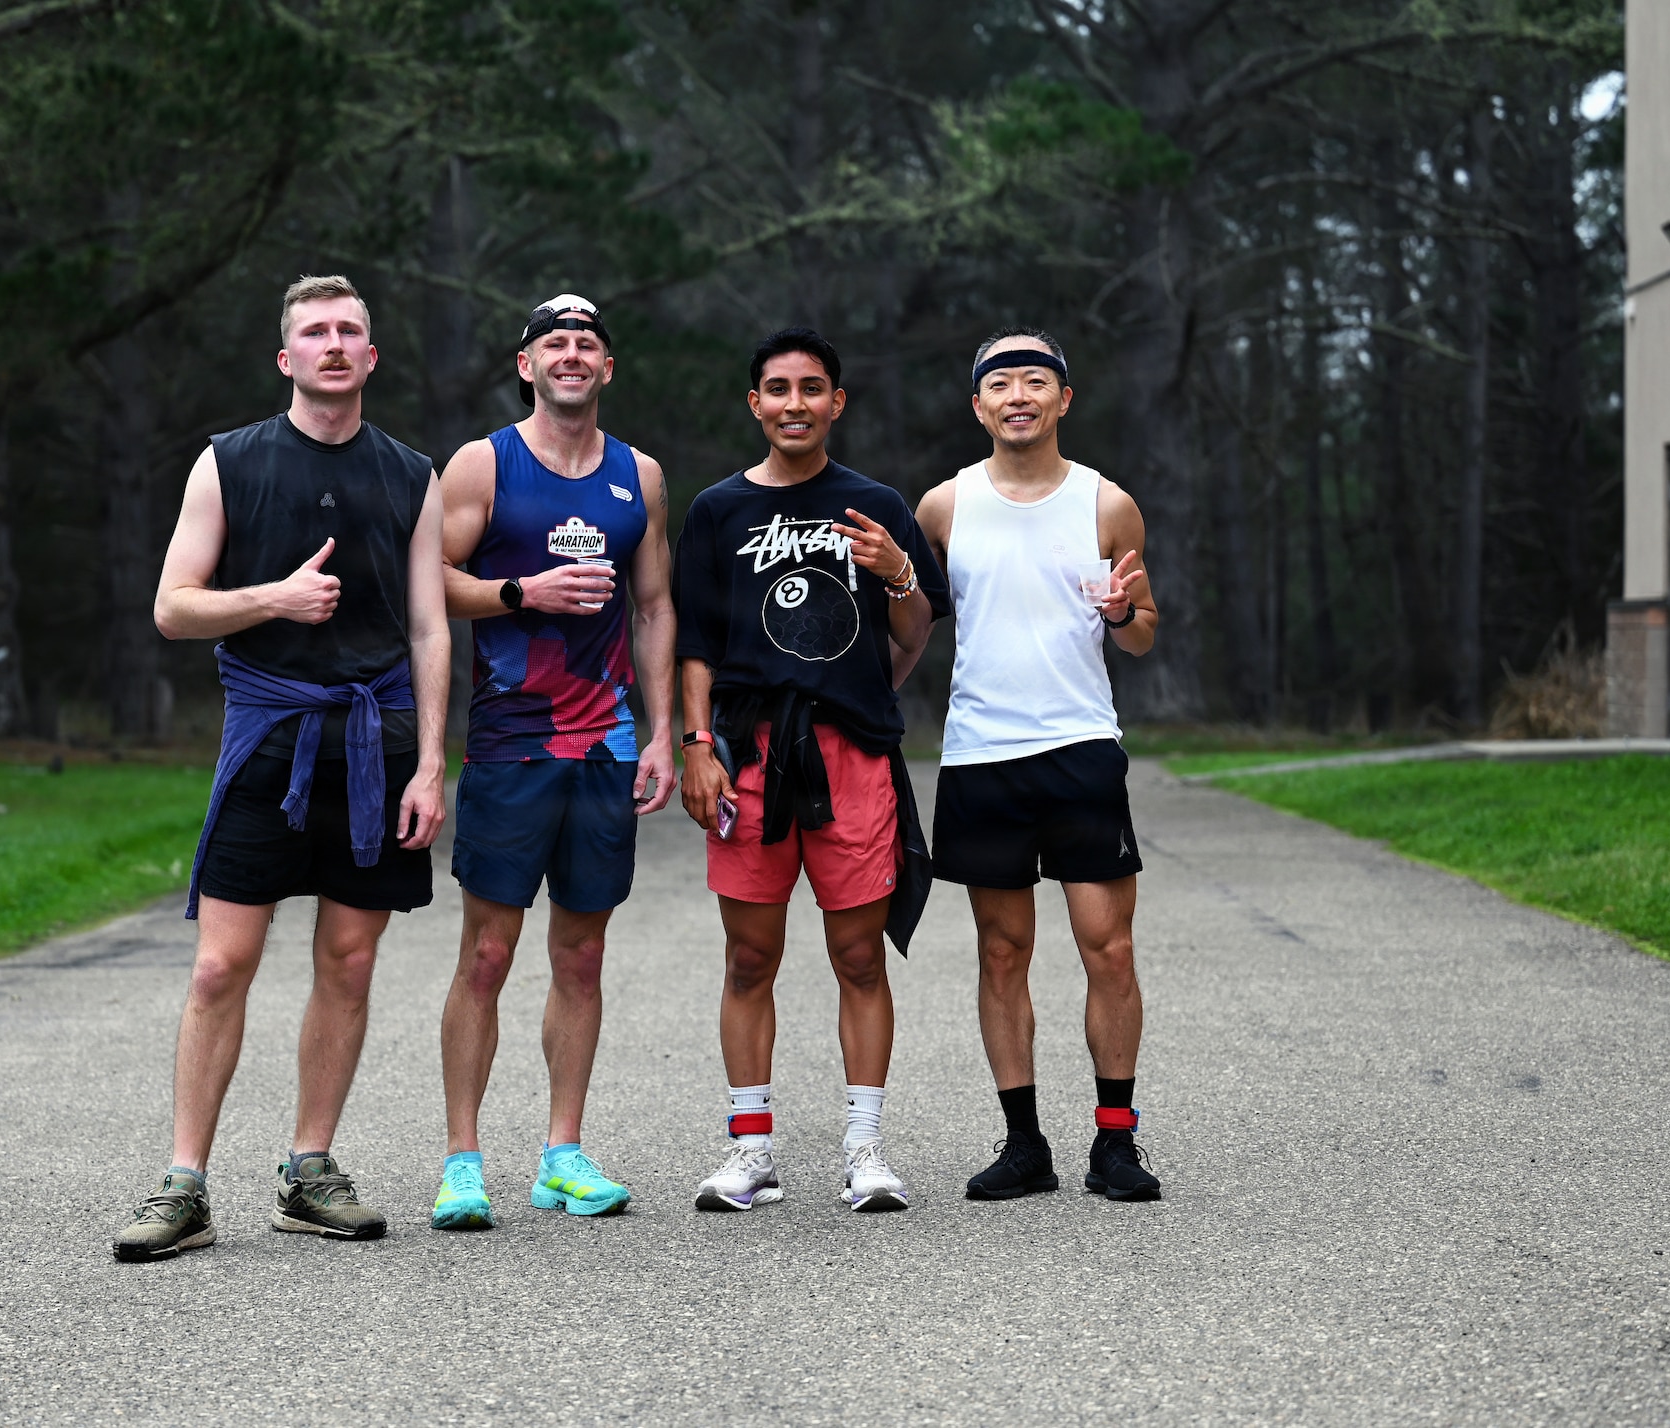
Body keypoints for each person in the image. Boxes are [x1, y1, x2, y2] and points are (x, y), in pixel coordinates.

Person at [112, 275, 449, 1261]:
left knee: (349, 960)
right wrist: (273, 599)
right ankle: (184, 1186)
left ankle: (310, 1171)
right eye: (314, 332)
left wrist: (432, 764)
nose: (333, 345)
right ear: (286, 357)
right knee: (222, 964)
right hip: (268, 737)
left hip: (378, 744)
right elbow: (174, 607)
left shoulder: (411, 474)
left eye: (349, 331)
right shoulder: (229, 462)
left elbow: (431, 628)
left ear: (370, 356)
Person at [675, 327, 948, 1214]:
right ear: (755, 402)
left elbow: (915, 632)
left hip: (850, 754)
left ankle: (865, 1149)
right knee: (749, 956)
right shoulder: (717, 510)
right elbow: (696, 644)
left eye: (812, 387)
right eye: (779, 388)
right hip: (748, 755)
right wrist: (696, 745)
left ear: (837, 402)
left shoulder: (876, 504)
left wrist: (898, 573)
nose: (795, 403)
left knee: (858, 954)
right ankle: (750, 1149)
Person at [432, 294, 676, 1229]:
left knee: (582, 953)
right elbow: (432, 582)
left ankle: (562, 1156)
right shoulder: (483, 463)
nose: (570, 355)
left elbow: (653, 606)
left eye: (586, 344)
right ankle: (462, 1164)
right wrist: (520, 591)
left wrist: (663, 732)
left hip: (607, 743)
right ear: (526, 364)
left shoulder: (638, 475)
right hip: (512, 742)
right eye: (553, 343)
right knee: (488, 954)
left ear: (606, 367)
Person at [911, 326, 1163, 1204]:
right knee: (1001, 951)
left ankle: (1116, 1141)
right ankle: (1024, 1145)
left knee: (1111, 948)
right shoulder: (943, 507)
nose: (1018, 396)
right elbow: (912, 620)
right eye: (1000, 383)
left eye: (1035, 380)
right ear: (978, 405)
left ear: (1064, 398)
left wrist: (1124, 613)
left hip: (1081, 747)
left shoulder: (1108, 504)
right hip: (981, 753)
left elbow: (1142, 634)